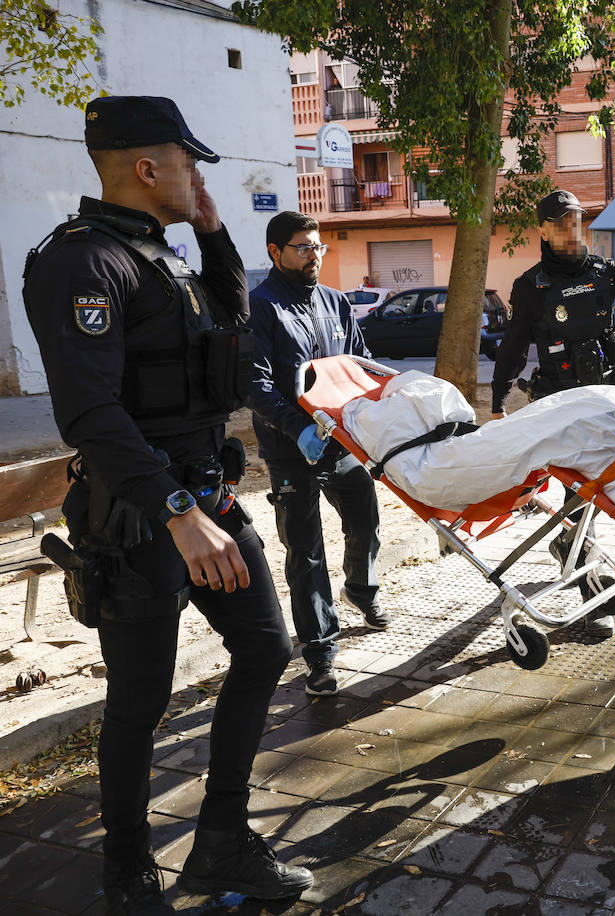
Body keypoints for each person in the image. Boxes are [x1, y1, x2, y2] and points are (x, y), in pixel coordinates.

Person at [21, 96, 312, 914]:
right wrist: (179, 513)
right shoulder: (81, 262)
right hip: (141, 515)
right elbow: (89, 412)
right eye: (189, 163)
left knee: (264, 650)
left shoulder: (162, 253)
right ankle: (126, 871)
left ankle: (221, 842)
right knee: (140, 702)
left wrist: (215, 230)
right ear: (148, 168)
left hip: (205, 496)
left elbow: (231, 319)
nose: (197, 177)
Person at [490, 189, 615, 638]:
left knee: (596, 489)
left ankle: (574, 550)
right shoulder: (531, 286)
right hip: (560, 407)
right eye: (561, 223)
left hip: (603, 402)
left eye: (577, 221)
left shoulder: (604, 272)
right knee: (586, 489)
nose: (572, 229)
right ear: (542, 230)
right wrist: (499, 403)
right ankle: (585, 586)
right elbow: (514, 349)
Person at [247, 211, 389, 697]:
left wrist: (377, 404)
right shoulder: (261, 307)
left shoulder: (334, 302)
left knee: (365, 518)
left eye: (318, 247)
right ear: (275, 252)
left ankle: (361, 590)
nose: (314, 255)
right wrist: (298, 428)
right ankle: (320, 652)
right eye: (304, 247)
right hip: (291, 448)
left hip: (341, 442)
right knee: (305, 550)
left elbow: (357, 364)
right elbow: (257, 386)